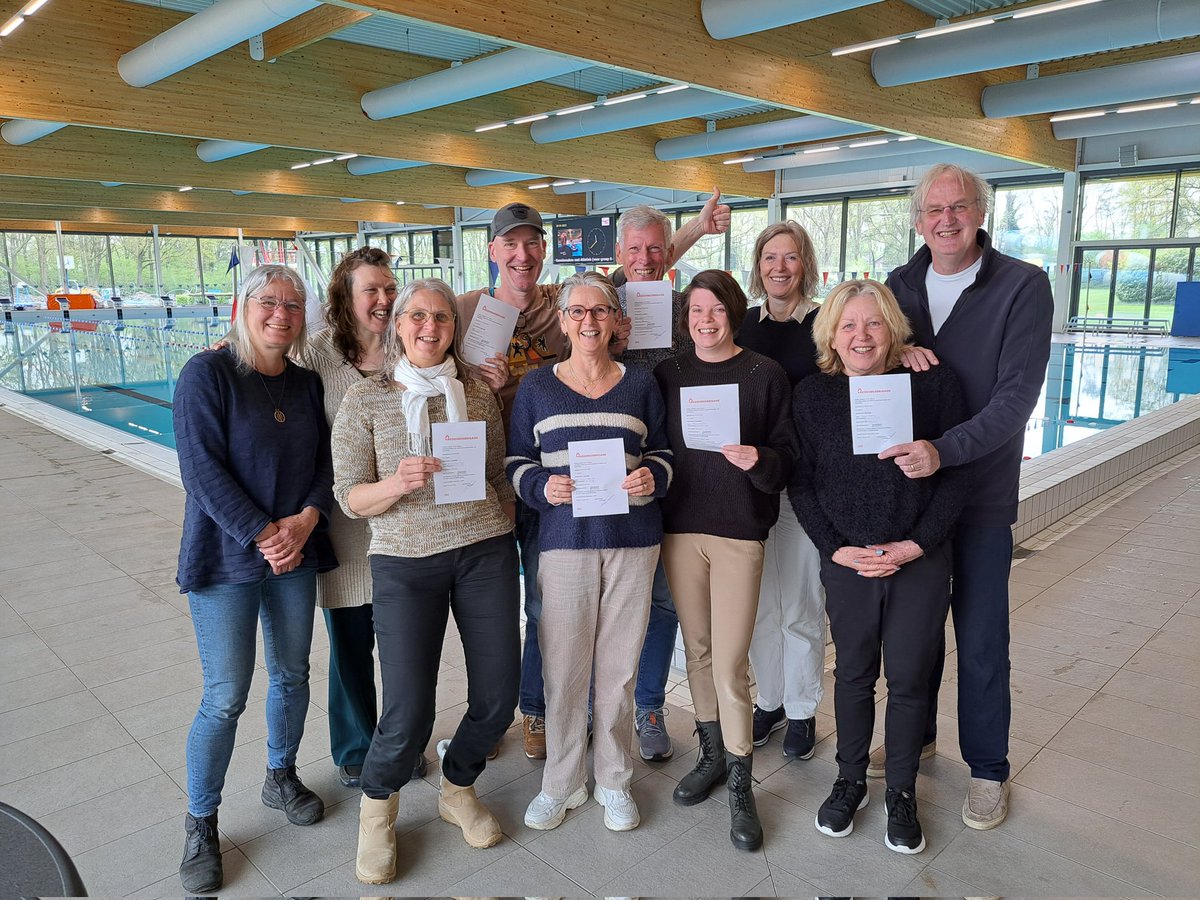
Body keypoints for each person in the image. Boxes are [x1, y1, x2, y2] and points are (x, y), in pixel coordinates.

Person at [457, 194, 731, 760]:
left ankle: (638, 711)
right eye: (511, 244)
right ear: (493, 251)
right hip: (532, 481)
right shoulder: (468, 309)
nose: (523, 255)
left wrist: (699, 229)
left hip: (633, 484)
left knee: (643, 607)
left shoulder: (607, 302)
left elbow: (646, 263)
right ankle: (538, 711)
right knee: (545, 608)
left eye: (532, 244)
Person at [881, 163, 1053, 831]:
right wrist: (898, 349)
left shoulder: (1021, 286)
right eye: (934, 209)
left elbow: (1016, 399)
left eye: (958, 207)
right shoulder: (899, 285)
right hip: (917, 499)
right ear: (919, 219)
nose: (946, 219)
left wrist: (943, 450)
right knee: (915, 633)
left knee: (981, 638)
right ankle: (917, 738)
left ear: (980, 212)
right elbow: (870, 361)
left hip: (978, 494)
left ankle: (987, 768)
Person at [331, 278, 519, 883]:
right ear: (398, 324)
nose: (429, 327)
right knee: (409, 711)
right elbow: (349, 497)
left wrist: (500, 521)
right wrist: (396, 483)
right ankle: (377, 811)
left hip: (484, 552)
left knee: (499, 695)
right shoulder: (366, 398)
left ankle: (458, 786)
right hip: (405, 561)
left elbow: (496, 474)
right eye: (417, 316)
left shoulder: (477, 392)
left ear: (454, 328)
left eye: (441, 317)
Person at [791, 279, 970, 854]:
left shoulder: (932, 384)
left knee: (911, 678)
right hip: (849, 559)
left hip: (918, 557)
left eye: (873, 323)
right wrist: (834, 548)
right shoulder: (812, 396)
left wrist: (917, 545)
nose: (861, 336)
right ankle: (849, 781)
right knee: (853, 674)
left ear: (893, 329)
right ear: (831, 336)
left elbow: (957, 476)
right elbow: (802, 481)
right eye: (848, 325)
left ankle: (900, 790)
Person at [173, 264, 336, 895]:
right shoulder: (207, 374)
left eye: (293, 305)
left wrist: (307, 519)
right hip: (226, 558)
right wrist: (264, 533)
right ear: (243, 307)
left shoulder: (304, 382)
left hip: (294, 552)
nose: (281, 315)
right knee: (225, 695)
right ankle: (201, 820)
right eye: (269, 302)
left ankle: (280, 774)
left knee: (292, 674)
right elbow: (200, 469)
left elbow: (326, 464)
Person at [507, 271, 673, 832]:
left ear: (616, 319)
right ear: (562, 320)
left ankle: (614, 780)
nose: (588, 321)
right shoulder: (537, 387)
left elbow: (665, 452)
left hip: (632, 542)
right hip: (564, 544)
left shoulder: (641, 383)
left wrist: (653, 476)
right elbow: (515, 462)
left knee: (620, 669)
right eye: (576, 311)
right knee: (563, 669)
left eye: (599, 310)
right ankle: (561, 783)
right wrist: (541, 486)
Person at [654, 270, 796, 852]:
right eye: (695, 310)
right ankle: (711, 754)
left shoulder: (764, 374)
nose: (705, 320)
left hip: (739, 530)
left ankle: (742, 781)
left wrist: (759, 458)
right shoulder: (669, 374)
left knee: (731, 661)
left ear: (733, 313)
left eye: (715, 309)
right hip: (680, 528)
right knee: (699, 650)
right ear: (684, 318)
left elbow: (787, 457)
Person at [291, 247, 429, 789]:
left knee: (404, 647)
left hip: (406, 525)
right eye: (371, 289)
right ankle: (354, 745)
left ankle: (400, 742)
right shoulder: (317, 354)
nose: (383, 299)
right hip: (345, 526)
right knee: (350, 645)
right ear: (344, 298)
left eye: (390, 288)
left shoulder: (409, 346)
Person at [734, 221, 826, 761]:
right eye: (770, 257)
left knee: (800, 604)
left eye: (790, 257)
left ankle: (803, 709)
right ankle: (769, 701)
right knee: (761, 607)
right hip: (751, 484)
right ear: (758, 265)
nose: (779, 267)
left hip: (803, 484)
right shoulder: (744, 324)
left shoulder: (824, 323)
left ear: (804, 264)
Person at [606, 204, 693, 762]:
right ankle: (598, 707)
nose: (645, 258)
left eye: (655, 248)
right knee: (604, 603)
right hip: (607, 478)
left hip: (672, 475)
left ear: (669, 253)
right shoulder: (599, 305)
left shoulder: (687, 309)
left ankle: (649, 705)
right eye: (634, 249)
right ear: (619, 254)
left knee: (663, 601)